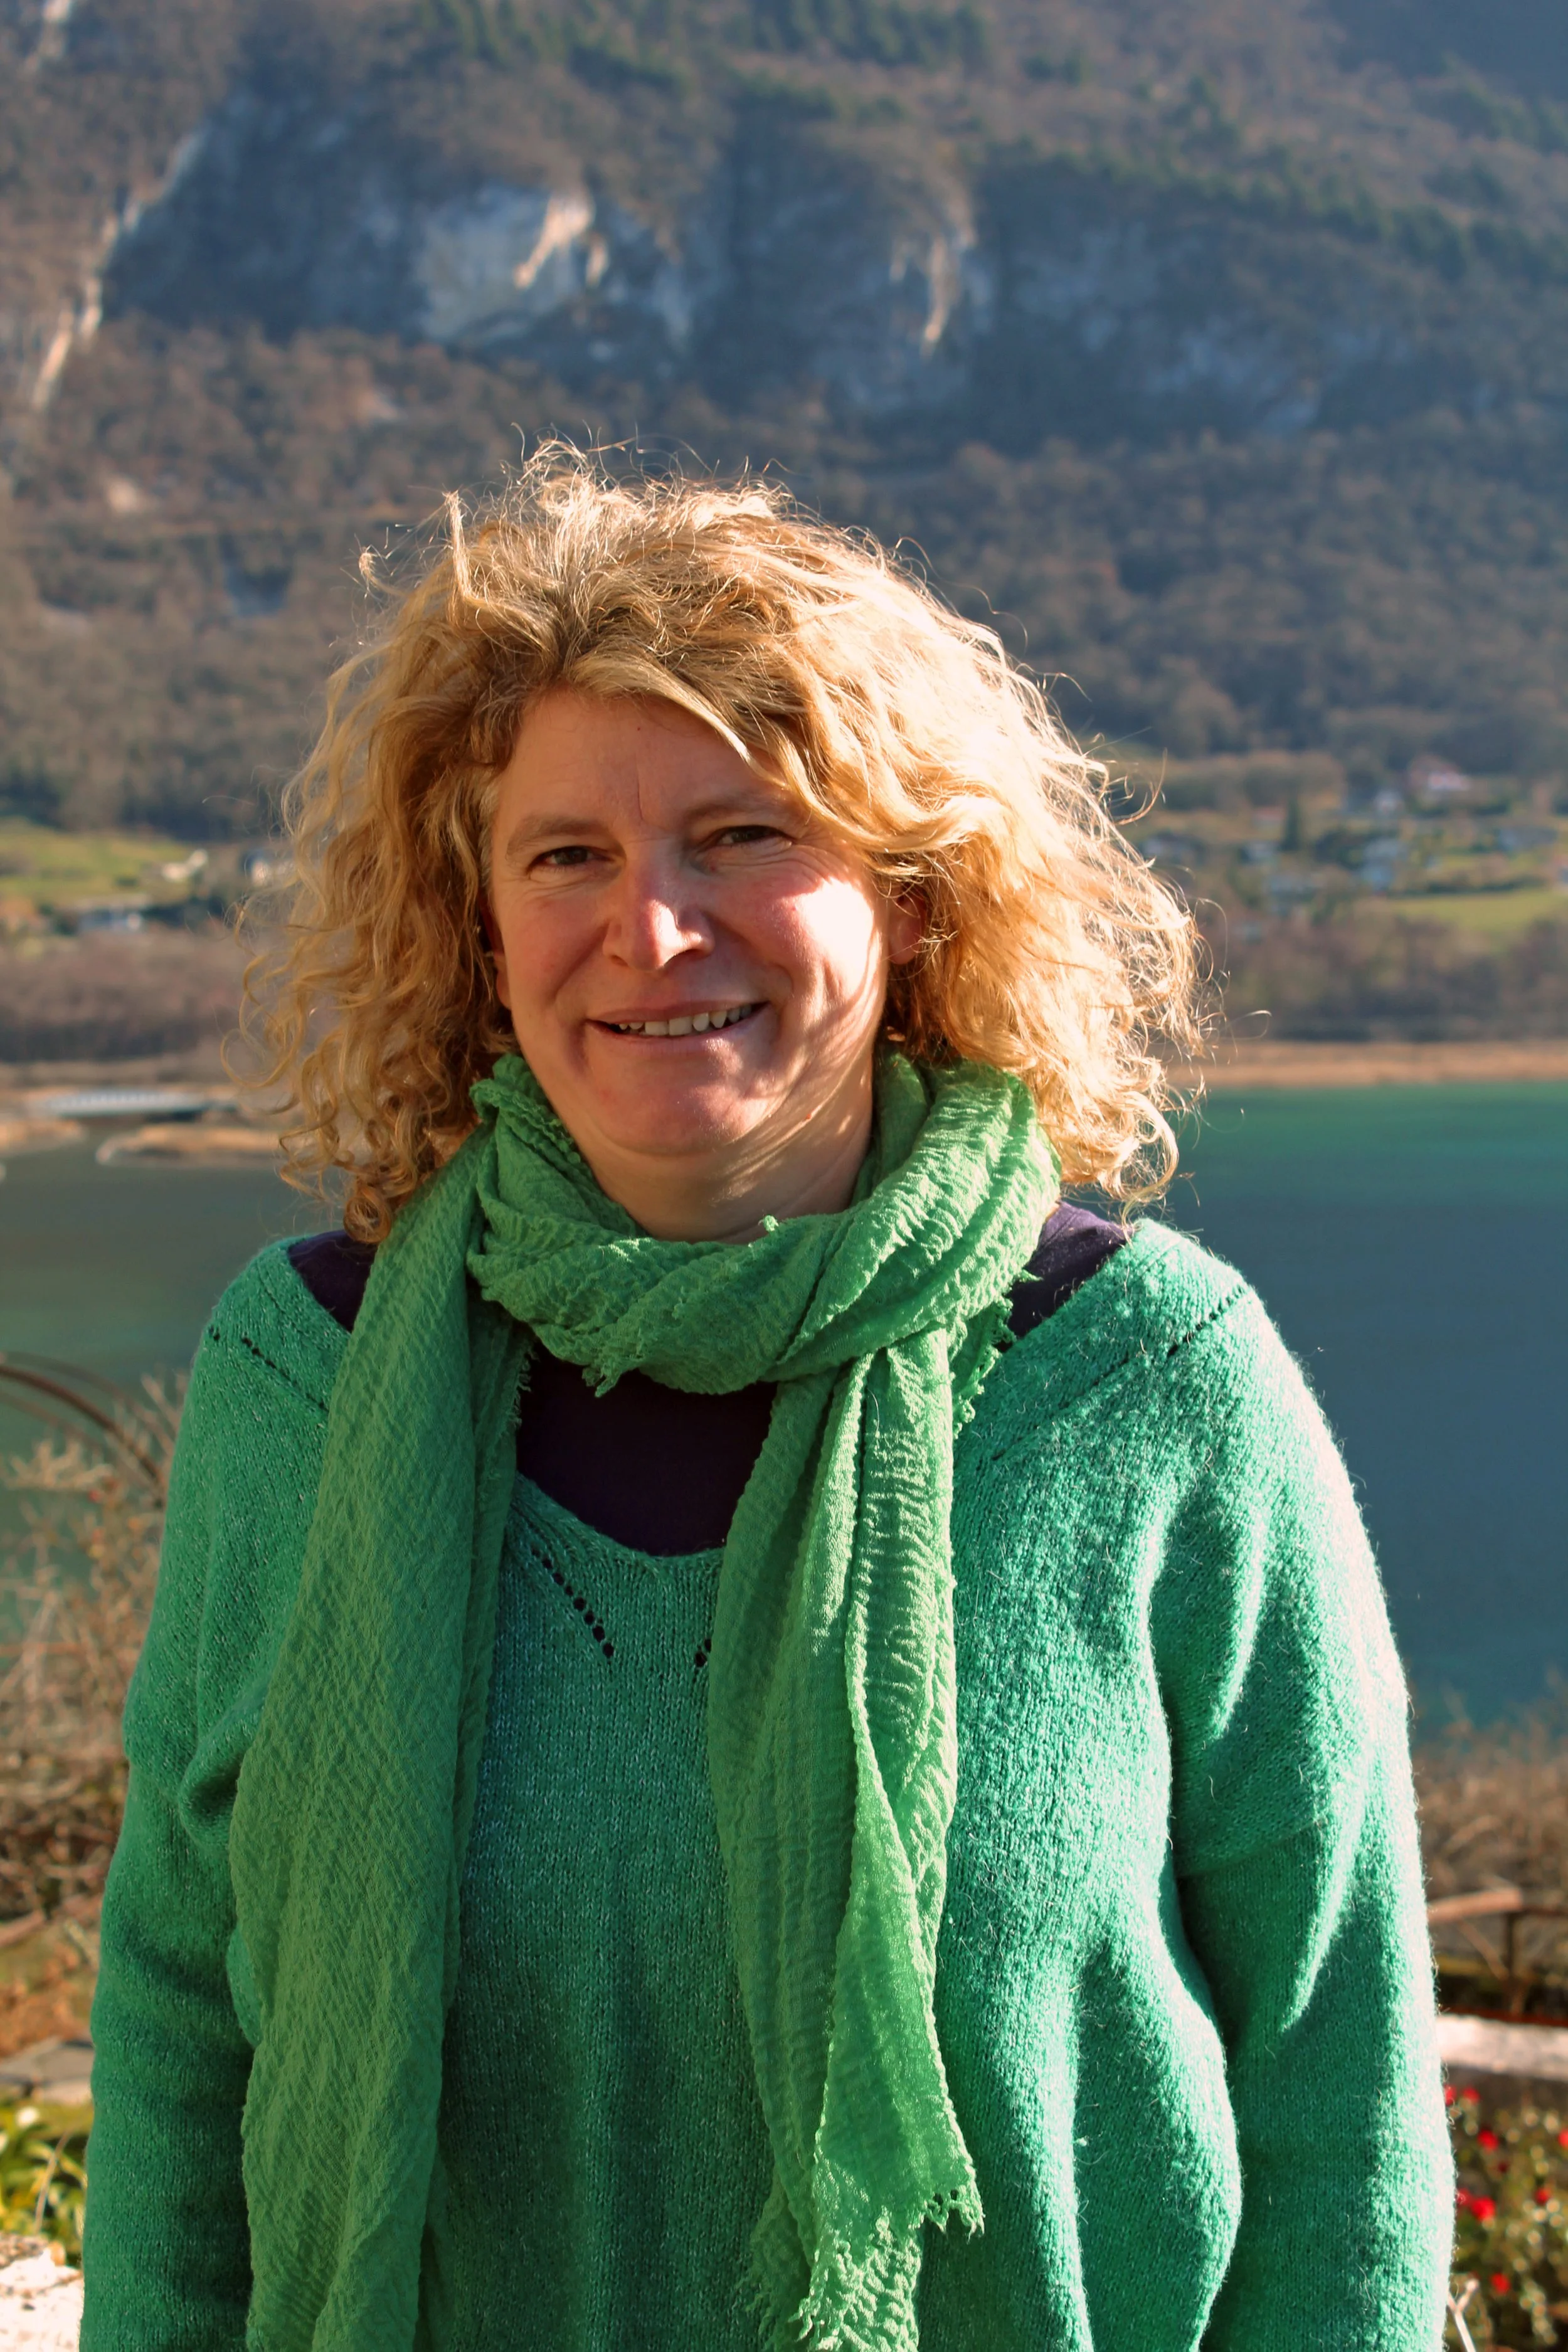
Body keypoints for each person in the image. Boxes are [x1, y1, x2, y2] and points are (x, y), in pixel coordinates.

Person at [82, 450, 1451, 2352]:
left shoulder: (1147, 1380)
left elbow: (1337, 2068)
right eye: (568, 853)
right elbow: (173, 2006)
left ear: (908, 893)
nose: (650, 930)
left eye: (738, 834)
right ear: (478, 920)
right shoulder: (303, 1377)